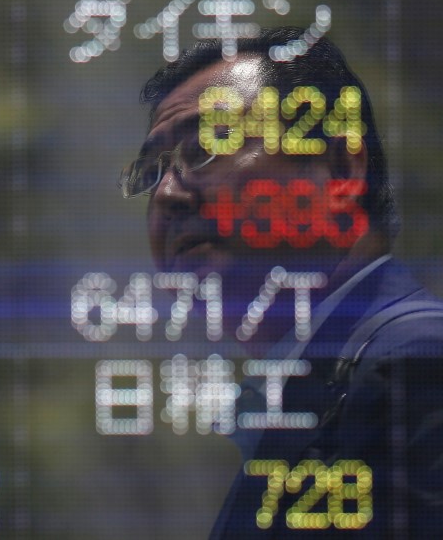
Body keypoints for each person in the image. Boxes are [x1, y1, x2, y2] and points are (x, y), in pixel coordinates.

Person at [119, 27, 443, 537]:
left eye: (210, 143)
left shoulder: (414, 363)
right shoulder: (328, 377)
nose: (166, 195)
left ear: (339, 168)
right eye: (150, 174)